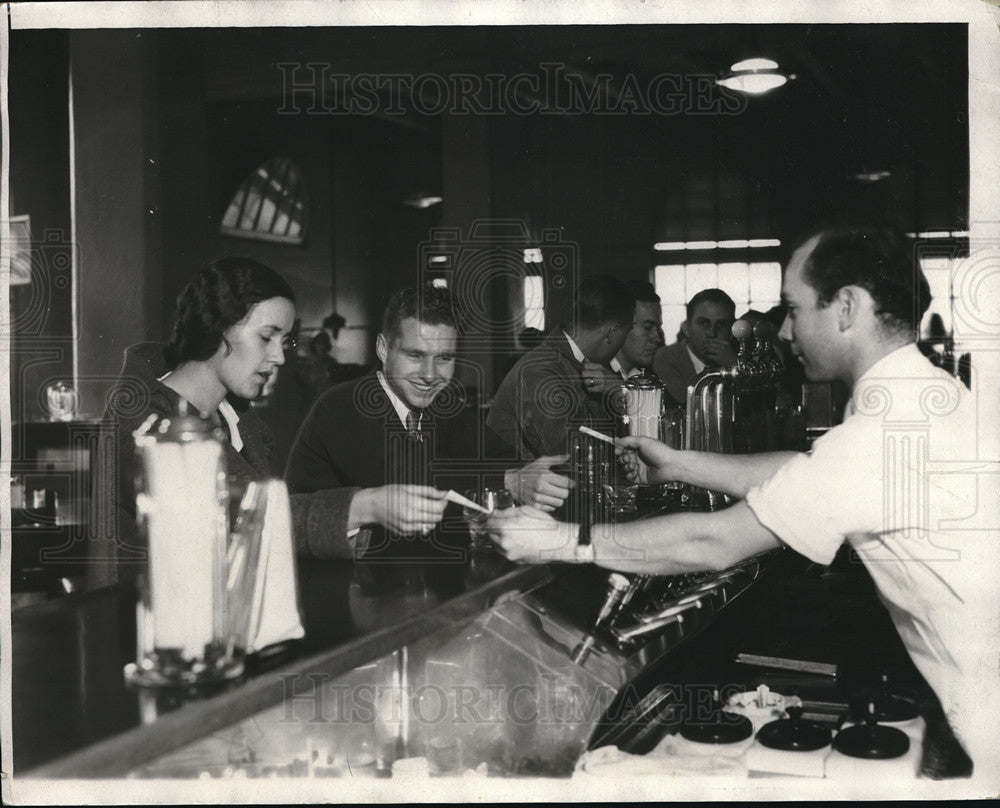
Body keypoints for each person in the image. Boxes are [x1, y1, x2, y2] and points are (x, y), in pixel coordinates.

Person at [488, 226, 998, 775]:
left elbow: (714, 540)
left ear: (847, 307)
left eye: (794, 308)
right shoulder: (922, 394)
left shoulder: (884, 430)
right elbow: (803, 473)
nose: (783, 328)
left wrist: (565, 540)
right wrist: (682, 462)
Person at [91, 258, 359, 589]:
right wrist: (359, 508)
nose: (279, 357)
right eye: (266, 337)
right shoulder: (144, 423)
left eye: (284, 340)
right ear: (218, 329)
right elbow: (235, 514)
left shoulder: (238, 419)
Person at [286, 283, 528, 561]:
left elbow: (500, 455)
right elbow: (411, 484)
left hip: (397, 568)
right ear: (383, 349)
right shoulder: (342, 404)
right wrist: (508, 481)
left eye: (444, 358)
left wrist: (519, 476)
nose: (429, 375)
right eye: (415, 355)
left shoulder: (439, 403)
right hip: (324, 574)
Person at [486, 275, 635, 509]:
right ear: (612, 332)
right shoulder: (540, 369)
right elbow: (570, 458)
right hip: (522, 514)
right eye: (624, 336)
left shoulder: (583, 366)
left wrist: (618, 392)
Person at [652, 288, 738, 406]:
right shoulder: (663, 358)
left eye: (721, 325)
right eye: (703, 323)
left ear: (731, 332)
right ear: (686, 328)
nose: (712, 333)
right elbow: (688, 408)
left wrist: (734, 368)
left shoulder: (735, 360)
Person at [610, 281, 664, 380]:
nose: (657, 339)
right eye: (647, 327)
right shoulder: (598, 377)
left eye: (658, 329)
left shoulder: (649, 376)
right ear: (619, 327)